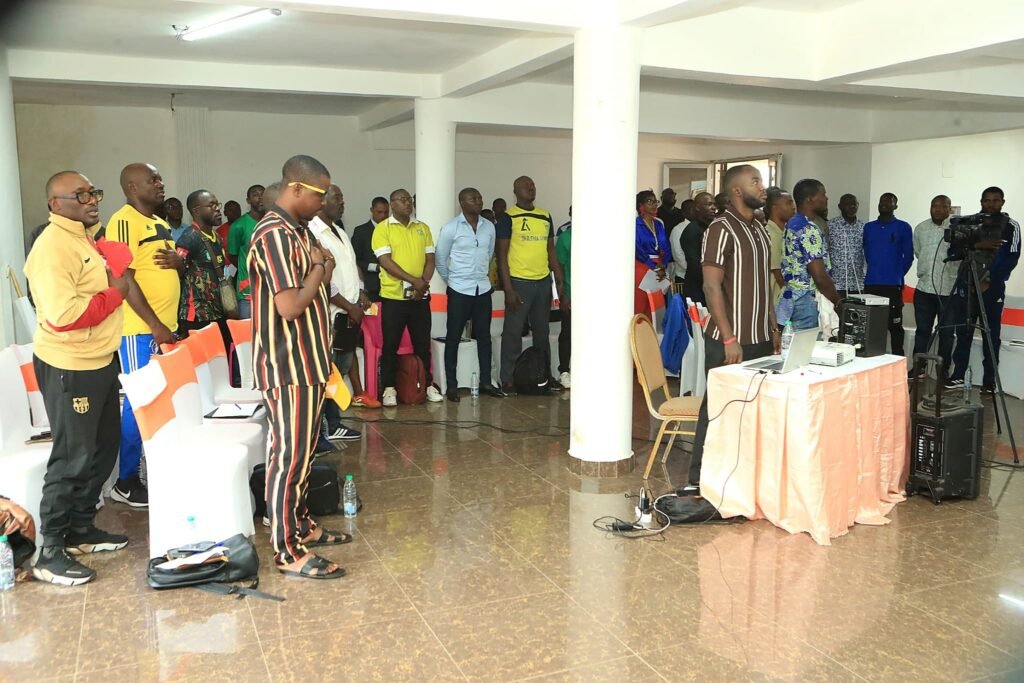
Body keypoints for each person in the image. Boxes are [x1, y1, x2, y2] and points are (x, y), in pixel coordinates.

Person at [25, 170, 129, 585]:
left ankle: (81, 528)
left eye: (93, 192)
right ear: (55, 204)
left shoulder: (85, 239)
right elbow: (64, 315)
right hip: (70, 365)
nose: (92, 200)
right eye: (81, 195)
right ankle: (50, 550)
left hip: (99, 359)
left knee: (103, 450)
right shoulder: (52, 247)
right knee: (73, 456)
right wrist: (116, 293)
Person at [249, 155, 347, 580]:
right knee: (288, 457)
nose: (323, 202)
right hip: (288, 363)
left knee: (305, 454)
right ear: (296, 188)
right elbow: (289, 306)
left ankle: (302, 525)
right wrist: (320, 266)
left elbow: (317, 278)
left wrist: (323, 266)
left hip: (310, 359)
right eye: (319, 194)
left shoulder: (299, 231)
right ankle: (288, 551)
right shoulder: (274, 234)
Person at [688, 165, 778, 489]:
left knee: (752, 412)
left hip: (760, 338)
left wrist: (773, 328)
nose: (762, 187)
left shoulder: (760, 229)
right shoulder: (720, 228)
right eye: (755, 182)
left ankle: (741, 480)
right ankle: (699, 481)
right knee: (718, 409)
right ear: (737, 191)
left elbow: (764, 285)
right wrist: (728, 337)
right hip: (730, 340)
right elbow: (711, 286)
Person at [100, 162, 183, 508]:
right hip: (139, 330)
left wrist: (179, 264)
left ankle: (149, 469)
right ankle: (126, 481)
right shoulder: (123, 220)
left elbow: (160, 267)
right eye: (153, 180)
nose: (160, 183)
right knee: (139, 402)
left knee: (159, 401)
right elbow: (122, 278)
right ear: (133, 187)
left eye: (160, 178)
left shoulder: (159, 222)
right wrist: (154, 324)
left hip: (164, 327)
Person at [372, 188, 444, 406]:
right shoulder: (383, 229)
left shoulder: (422, 227)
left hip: (419, 297)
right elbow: (386, 261)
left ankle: (427, 384)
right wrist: (414, 280)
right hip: (393, 298)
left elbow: (430, 259)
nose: (407, 203)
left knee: (422, 344)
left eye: (408, 200)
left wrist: (422, 283)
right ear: (392, 204)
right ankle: (389, 388)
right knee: (390, 345)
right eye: (402, 200)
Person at [496, 176, 567, 392]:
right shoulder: (508, 217)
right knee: (513, 332)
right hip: (519, 283)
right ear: (515, 191)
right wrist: (508, 289)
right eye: (526, 186)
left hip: (543, 282)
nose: (531, 188)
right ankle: (508, 379)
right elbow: (501, 255)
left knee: (542, 333)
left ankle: (543, 376)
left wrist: (558, 277)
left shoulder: (545, 216)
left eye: (533, 185)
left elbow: (550, 249)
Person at [947, 186, 1021, 393]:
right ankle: (958, 375)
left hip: (993, 289)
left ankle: (989, 381)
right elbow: (954, 250)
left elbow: (1011, 258)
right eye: (987, 200)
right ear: (981, 202)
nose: (991, 204)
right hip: (967, 284)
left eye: (995, 200)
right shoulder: (971, 223)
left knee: (991, 335)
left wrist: (990, 280)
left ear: (1002, 202)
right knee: (963, 332)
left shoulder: (1011, 226)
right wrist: (979, 245)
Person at [436, 187, 505, 401]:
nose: (478, 201)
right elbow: (440, 259)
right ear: (462, 203)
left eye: (479, 197)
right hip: (459, 290)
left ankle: (486, 381)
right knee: (454, 337)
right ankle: (452, 385)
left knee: (484, 337)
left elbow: (489, 253)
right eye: (472, 198)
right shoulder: (450, 228)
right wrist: (452, 280)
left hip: (482, 289)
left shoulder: (489, 227)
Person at [308, 184, 366, 438]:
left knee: (340, 369)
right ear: (321, 201)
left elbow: (350, 268)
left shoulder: (339, 231)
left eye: (343, 197)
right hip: (333, 313)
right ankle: (326, 427)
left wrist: (360, 294)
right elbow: (322, 277)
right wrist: (349, 306)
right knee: (327, 371)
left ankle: (334, 422)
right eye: (337, 198)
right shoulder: (313, 232)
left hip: (349, 314)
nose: (343, 202)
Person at [176, 190, 234, 353]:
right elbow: (177, 273)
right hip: (197, 315)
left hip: (218, 312)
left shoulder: (217, 237)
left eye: (217, 204)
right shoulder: (189, 238)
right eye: (211, 205)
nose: (217, 209)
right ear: (196, 211)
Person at [779, 179, 840, 330]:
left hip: (792, 297)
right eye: (823, 194)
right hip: (806, 301)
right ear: (810, 199)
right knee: (807, 344)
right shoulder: (808, 229)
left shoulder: (792, 223)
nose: (826, 198)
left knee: (793, 343)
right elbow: (819, 276)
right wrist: (838, 302)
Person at [912, 195, 958, 374]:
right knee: (922, 331)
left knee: (946, 333)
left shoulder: (956, 228)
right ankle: (919, 368)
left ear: (949, 209)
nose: (938, 210)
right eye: (934, 206)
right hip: (924, 289)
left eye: (942, 206)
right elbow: (918, 252)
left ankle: (942, 371)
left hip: (948, 291)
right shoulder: (921, 228)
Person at [863, 192, 914, 355]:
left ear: (895, 206)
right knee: (871, 326)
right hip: (871, 284)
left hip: (892, 285)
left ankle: (898, 360)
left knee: (895, 326)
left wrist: (896, 273)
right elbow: (867, 253)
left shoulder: (903, 227)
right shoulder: (868, 227)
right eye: (882, 201)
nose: (884, 203)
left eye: (889, 201)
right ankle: (871, 359)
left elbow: (909, 256)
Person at [227, 184, 266, 319]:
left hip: (271, 290)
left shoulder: (273, 221)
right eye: (255, 195)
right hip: (247, 292)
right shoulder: (238, 226)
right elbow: (233, 256)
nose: (260, 197)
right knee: (247, 331)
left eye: (262, 194)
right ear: (248, 200)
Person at [634, 190, 672, 316]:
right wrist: (654, 267)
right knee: (641, 303)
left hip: (660, 266)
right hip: (642, 265)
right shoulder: (636, 224)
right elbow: (638, 249)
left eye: (655, 201)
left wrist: (664, 264)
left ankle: (655, 329)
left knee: (657, 306)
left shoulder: (659, 224)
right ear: (641, 205)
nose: (654, 204)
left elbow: (666, 246)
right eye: (649, 201)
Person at [351, 196, 390, 304]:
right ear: (372, 210)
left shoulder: (394, 231)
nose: (383, 216)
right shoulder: (361, 232)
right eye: (379, 212)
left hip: (392, 286)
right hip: (371, 286)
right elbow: (355, 260)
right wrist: (375, 267)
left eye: (386, 212)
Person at [827, 194, 866, 297]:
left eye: (854, 204)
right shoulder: (830, 226)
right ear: (840, 206)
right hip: (836, 284)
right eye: (847, 204)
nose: (851, 207)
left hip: (858, 284)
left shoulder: (864, 227)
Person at [681, 192, 716, 304]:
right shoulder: (691, 231)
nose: (713, 208)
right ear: (697, 207)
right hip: (697, 289)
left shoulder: (713, 228)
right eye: (709, 204)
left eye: (714, 204)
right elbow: (695, 264)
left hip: (712, 286)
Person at [765, 187, 796, 308]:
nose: (793, 207)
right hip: (778, 301)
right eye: (788, 203)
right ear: (775, 208)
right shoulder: (771, 234)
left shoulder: (785, 232)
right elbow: (779, 275)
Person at [555, 211, 572, 388]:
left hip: (593, 297)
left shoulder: (596, 235)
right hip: (570, 293)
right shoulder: (565, 238)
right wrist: (563, 294)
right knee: (567, 333)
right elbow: (558, 267)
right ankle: (564, 371)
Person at [669, 198, 695, 284]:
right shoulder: (678, 229)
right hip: (683, 275)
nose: (695, 211)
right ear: (684, 213)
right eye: (691, 209)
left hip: (699, 275)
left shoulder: (701, 227)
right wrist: (693, 270)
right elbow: (678, 254)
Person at [217, 200, 242, 266]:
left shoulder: (247, 226)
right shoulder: (219, 232)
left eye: (237, 209)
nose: (235, 212)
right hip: (228, 267)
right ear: (225, 213)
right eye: (230, 210)